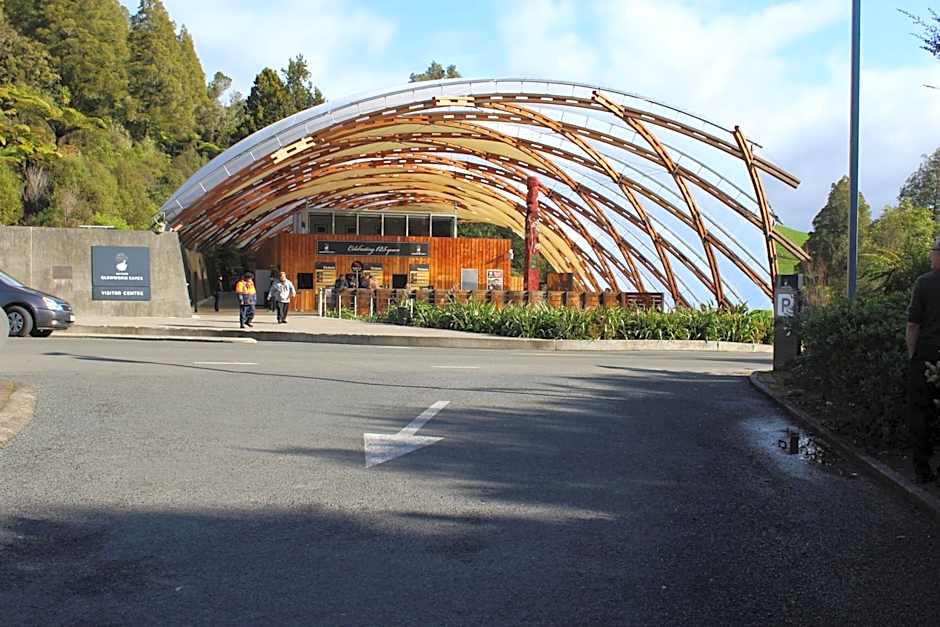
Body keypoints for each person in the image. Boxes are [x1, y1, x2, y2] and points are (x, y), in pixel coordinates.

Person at [906, 236, 940, 483]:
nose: (930, 255)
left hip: (927, 356)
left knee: (921, 413)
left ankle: (922, 469)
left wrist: (912, 355)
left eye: (933, 251)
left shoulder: (925, 283)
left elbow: (913, 324)